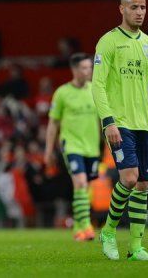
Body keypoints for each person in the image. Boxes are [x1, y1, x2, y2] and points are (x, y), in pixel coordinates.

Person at [92, 0, 148, 261]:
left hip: (143, 124)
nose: (140, 12)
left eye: (143, 7)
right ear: (122, 9)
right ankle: (109, 231)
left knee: (142, 184)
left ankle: (136, 247)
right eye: (134, 7)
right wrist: (108, 121)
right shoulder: (109, 42)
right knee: (128, 178)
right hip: (119, 122)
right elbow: (98, 85)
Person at [44, 53, 100, 242]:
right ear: (74, 70)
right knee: (81, 183)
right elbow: (53, 123)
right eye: (84, 68)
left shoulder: (96, 90)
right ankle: (86, 226)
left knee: (85, 188)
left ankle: (78, 225)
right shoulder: (62, 93)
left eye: (90, 67)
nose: (88, 71)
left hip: (92, 147)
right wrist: (48, 150)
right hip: (71, 145)